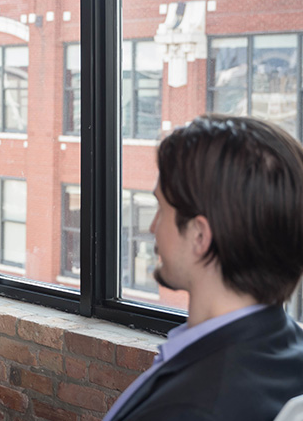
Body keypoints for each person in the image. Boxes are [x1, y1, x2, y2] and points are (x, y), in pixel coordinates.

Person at [104, 114, 303, 421]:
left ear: (199, 235)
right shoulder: (289, 348)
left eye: (161, 208)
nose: (153, 227)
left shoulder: (187, 410)